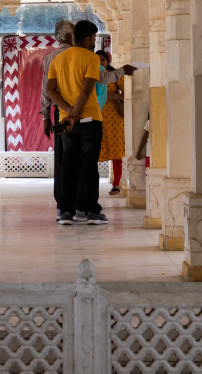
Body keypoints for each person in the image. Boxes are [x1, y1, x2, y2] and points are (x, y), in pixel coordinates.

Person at [46, 20, 137, 225]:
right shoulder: (90, 58)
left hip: (66, 122)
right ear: (87, 38)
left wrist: (68, 113)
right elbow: (88, 89)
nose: (94, 42)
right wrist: (75, 113)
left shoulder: (58, 60)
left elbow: (50, 90)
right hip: (89, 120)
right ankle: (90, 211)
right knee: (88, 166)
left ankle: (67, 212)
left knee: (68, 165)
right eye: (94, 38)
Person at [40, 20, 75, 220]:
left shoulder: (50, 58)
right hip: (81, 112)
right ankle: (80, 202)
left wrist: (46, 117)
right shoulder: (83, 56)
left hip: (59, 112)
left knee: (63, 157)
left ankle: (63, 204)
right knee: (82, 157)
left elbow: (46, 91)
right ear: (69, 36)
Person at [96, 50, 125, 195]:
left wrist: (113, 96)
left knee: (116, 152)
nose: (100, 62)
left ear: (108, 61)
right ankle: (91, 184)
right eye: (97, 60)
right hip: (96, 117)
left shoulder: (114, 76)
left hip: (114, 119)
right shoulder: (91, 75)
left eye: (103, 60)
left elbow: (128, 94)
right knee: (93, 150)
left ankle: (116, 184)